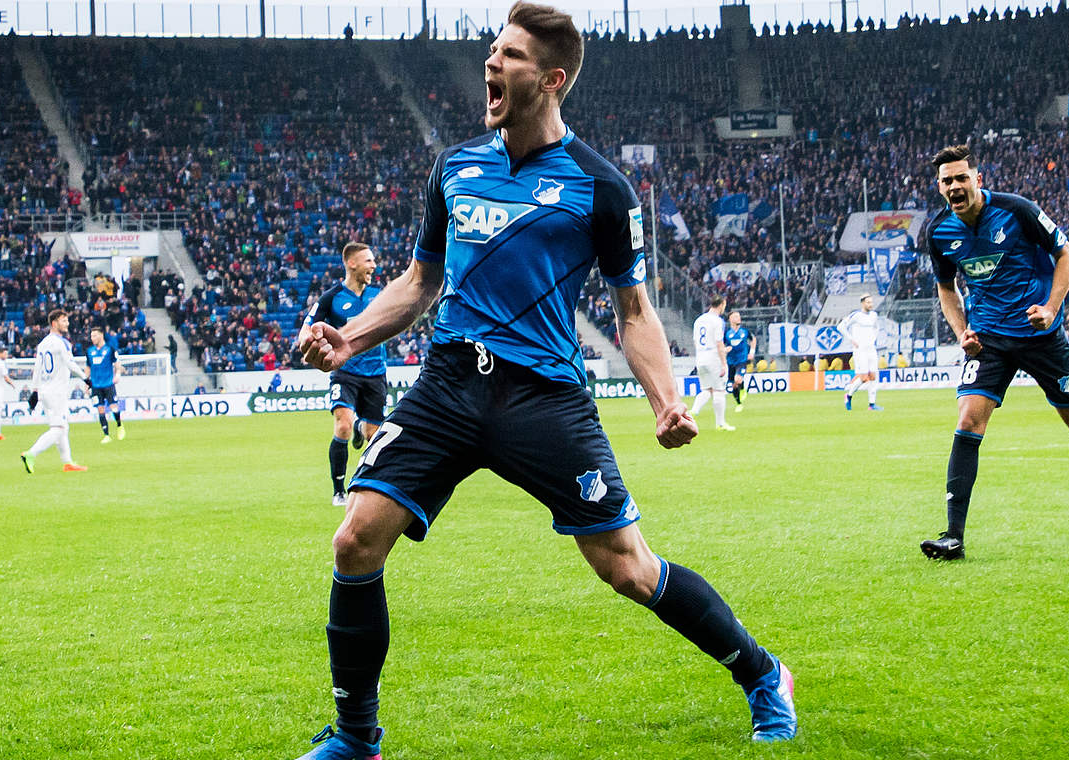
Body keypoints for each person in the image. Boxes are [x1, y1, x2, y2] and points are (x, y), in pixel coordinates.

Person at [292, 5, 796, 757]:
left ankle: (763, 674)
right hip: (450, 382)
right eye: (492, 51)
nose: (491, 65)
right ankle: (357, 738)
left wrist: (665, 402)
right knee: (356, 541)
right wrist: (351, 334)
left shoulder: (600, 187)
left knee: (626, 567)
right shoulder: (456, 165)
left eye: (510, 56)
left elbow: (635, 309)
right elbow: (419, 281)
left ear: (551, 79)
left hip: (543, 397)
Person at [918, 144, 1069, 561]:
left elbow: (1066, 253)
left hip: (1040, 334)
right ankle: (953, 536)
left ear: (978, 179)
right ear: (939, 187)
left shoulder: (1018, 211)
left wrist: (1051, 307)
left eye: (962, 177)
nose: (955, 186)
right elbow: (946, 288)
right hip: (990, 340)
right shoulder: (939, 232)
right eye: (947, 181)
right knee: (967, 420)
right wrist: (962, 333)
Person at [300, 242, 389, 508]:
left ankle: (363, 432)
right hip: (346, 372)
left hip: (376, 373)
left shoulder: (379, 294)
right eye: (369, 261)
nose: (374, 265)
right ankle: (339, 490)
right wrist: (308, 344)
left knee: (374, 435)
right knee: (342, 425)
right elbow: (306, 327)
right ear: (352, 263)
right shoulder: (331, 297)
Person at [20, 310, 90, 473]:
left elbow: (37, 369)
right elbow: (70, 363)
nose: (67, 324)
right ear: (54, 323)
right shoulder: (62, 343)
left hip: (45, 390)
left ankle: (68, 463)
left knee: (62, 427)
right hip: (57, 392)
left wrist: (35, 391)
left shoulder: (43, 343)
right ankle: (31, 453)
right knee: (58, 429)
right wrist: (86, 378)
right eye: (64, 321)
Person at [690, 294, 735, 431]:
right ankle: (720, 424)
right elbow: (719, 343)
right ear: (721, 304)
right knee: (719, 390)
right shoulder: (717, 321)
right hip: (713, 356)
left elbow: (695, 341)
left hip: (700, 357)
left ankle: (692, 412)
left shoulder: (699, 320)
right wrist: (723, 363)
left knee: (706, 389)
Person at [838, 294, 882, 411]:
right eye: (868, 302)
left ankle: (872, 405)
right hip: (860, 350)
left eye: (871, 302)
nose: (870, 304)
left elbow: (877, 327)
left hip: (871, 349)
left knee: (873, 376)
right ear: (863, 303)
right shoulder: (856, 315)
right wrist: (851, 339)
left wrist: (874, 338)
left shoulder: (874, 315)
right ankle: (848, 396)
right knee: (863, 378)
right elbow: (841, 327)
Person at [87, 328, 125, 443]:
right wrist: (86, 382)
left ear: (101, 335)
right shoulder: (89, 351)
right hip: (95, 385)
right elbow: (88, 367)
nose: (92, 338)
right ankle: (107, 435)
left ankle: (119, 425)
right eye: (91, 336)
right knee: (100, 409)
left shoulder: (110, 349)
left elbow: (117, 363)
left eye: (94, 336)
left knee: (114, 407)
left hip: (108, 384)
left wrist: (118, 374)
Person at [724, 309, 756, 412]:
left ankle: (742, 389)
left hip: (742, 360)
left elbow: (753, 339)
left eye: (739, 316)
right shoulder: (727, 333)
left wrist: (752, 352)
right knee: (734, 384)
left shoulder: (745, 331)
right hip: (730, 361)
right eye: (736, 317)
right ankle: (739, 403)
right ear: (730, 319)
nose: (739, 318)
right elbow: (721, 345)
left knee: (738, 379)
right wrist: (725, 350)